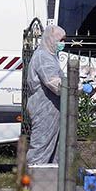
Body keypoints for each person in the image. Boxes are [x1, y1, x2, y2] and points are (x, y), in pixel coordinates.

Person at [26, 25, 66, 165]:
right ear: (51, 39)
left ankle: (50, 181)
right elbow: (54, 83)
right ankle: (32, 179)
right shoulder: (43, 57)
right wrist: (75, 87)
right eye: (61, 39)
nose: (63, 43)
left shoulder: (51, 56)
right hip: (44, 108)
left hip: (51, 108)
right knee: (41, 146)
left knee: (54, 147)